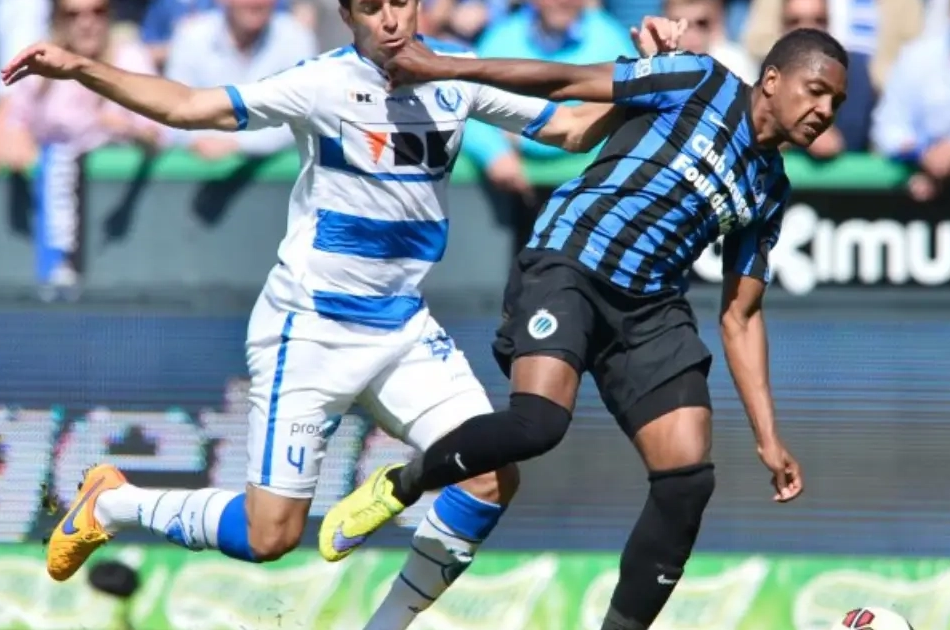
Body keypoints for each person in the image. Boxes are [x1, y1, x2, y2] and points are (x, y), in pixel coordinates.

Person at [0, 3, 683, 629]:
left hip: (404, 330)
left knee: (491, 474)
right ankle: (113, 503)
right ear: (347, 14)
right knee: (270, 535)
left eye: (401, 2)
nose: (390, 20)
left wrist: (652, 78)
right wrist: (83, 68)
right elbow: (188, 107)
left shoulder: (456, 77)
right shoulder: (322, 83)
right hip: (310, 331)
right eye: (371, 7)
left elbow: (570, 128)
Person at [322, 27, 848, 630]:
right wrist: (442, 66)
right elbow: (567, 82)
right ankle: (405, 482)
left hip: (650, 308)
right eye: (816, 91)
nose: (824, 111)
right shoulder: (700, 80)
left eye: (836, 103)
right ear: (772, 79)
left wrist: (768, 438)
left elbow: (741, 315)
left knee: (686, 480)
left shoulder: (769, 188)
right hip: (571, 262)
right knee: (539, 424)